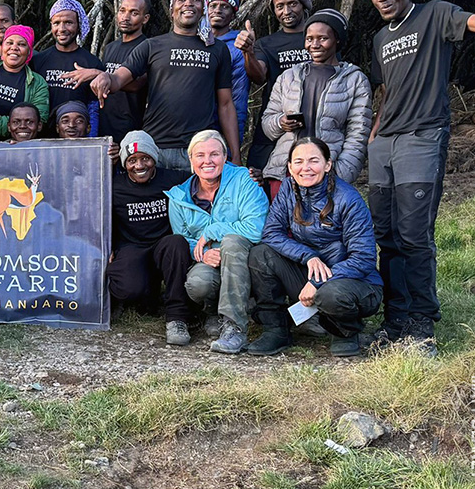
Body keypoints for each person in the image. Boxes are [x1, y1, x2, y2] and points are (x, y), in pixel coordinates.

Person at [366, 0, 475, 353]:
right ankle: (395, 319)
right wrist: (374, 134)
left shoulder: (435, 14)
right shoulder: (378, 39)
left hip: (422, 137)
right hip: (384, 143)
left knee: (414, 234)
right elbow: (386, 90)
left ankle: (421, 323)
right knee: (385, 235)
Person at [247, 138, 383, 358]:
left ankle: (345, 332)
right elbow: (271, 233)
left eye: (313, 161)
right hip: (310, 270)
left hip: (355, 281)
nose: (305, 168)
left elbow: (364, 259)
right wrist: (309, 256)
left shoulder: (348, 199)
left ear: (327, 165)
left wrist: (318, 280)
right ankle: (276, 329)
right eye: (298, 161)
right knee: (261, 254)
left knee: (330, 294)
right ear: (290, 167)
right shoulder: (288, 192)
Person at [92, 0, 239, 170]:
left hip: (200, 150)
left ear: (203, 9)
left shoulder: (218, 49)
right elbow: (119, 79)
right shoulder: (152, 46)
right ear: (172, 9)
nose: (189, 4)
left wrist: (236, 155)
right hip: (156, 147)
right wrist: (105, 77)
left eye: (196, 0)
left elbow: (226, 104)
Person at [166, 130, 267, 354]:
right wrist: (201, 253)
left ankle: (234, 329)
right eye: (200, 155)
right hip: (209, 261)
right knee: (198, 283)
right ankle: (213, 312)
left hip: (245, 259)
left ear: (225, 156)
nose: (207, 161)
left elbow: (257, 229)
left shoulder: (244, 180)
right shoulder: (178, 196)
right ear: (190, 160)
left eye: (214, 154)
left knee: (231, 242)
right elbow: (183, 239)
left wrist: (214, 231)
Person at [261, 9, 371, 191]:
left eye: (322, 38)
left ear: (337, 39)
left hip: (328, 173)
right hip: (286, 173)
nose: (315, 44)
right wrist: (281, 122)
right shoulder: (289, 77)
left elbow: (358, 134)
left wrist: (340, 173)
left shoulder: (354, 80)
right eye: (309, 38)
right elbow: (267, 125)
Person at [108, 131, 192, 345]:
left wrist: (247, 175)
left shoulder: (175, 179)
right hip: (132, 247)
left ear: (154, 157)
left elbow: (209, 180)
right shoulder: (114, 186)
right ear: (125, 163)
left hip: (164, 249)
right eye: (132, 160)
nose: (139, 165)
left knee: (177, 243)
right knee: (127, 288)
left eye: (145, 158)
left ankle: (176, 317)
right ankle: (147, 295)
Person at [245, 0, 313, 177]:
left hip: (314, 121)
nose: (286, 11)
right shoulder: (268, 44)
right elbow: (259, 76)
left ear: (303, 5)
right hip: (275, 122)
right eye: (279, 6)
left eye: (292, 4)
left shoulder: (318, 36)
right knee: (262, 175)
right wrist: (248, 52)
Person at [32, 0, 103, 133]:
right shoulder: (38, 60)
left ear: (78, 25)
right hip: (42, 137)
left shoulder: (92, 64)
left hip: (75, 138)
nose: (62, 29)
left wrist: (91, 140)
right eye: (56, 23)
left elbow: (94, 109)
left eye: (68, 23)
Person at [0, 25, 49, 140]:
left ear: (29, 52)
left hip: (12, 148)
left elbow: (39, 120)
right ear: (2, 48)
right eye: (9, 43)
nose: (14, 48)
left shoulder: (38, 84)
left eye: (21, 44)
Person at [98, 0, 151, 144]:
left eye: (134, 13)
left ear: (145, 19)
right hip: (106, 126)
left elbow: (137, 85)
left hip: (132, 129)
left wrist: (97, 74)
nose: (125, 17)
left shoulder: (148, 47)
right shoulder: (110, 48)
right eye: (122, 11)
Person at [206, 0, 251, 147]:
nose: (217, 10)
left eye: (224, 6)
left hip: (227, 122)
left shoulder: (239, 45)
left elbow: (239, 92)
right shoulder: (195, 41)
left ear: (233, 14)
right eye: (213, 6)